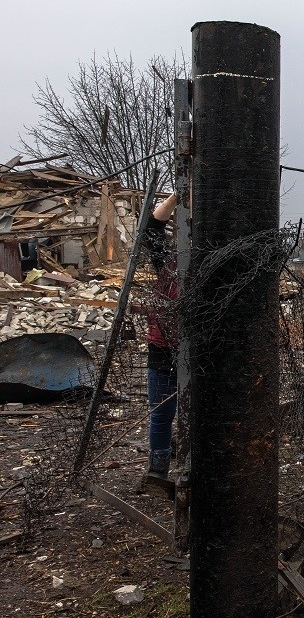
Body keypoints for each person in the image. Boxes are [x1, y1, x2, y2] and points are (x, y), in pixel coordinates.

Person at [140, 192, 179, 497]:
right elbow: (151, 227)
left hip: (201, 351)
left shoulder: (214, 263)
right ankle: (157, 472)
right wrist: (178, 196)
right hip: (163, 346)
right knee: (162, 412)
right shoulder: (168, 261)